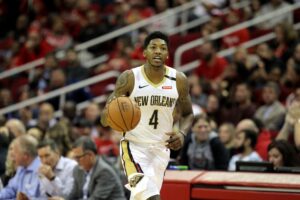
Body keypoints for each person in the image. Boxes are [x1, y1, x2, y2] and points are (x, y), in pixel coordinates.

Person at [101, 31, 194, 200]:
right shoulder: (129, 78)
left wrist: (182, 133)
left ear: (167, 54)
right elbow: (104, 118)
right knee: (152, 197)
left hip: (161, 148)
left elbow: (188, 114)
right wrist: (113, 115)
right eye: (153, 47)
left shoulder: (178, 79)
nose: (158, 51)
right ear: (144, 52)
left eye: (163, 48)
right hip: (133, 147)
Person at [0, 135, 41, 199]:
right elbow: (10, 190)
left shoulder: (40, 169)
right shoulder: (21, 167)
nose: (12, 156)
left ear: (25, 155)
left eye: (15, 152)